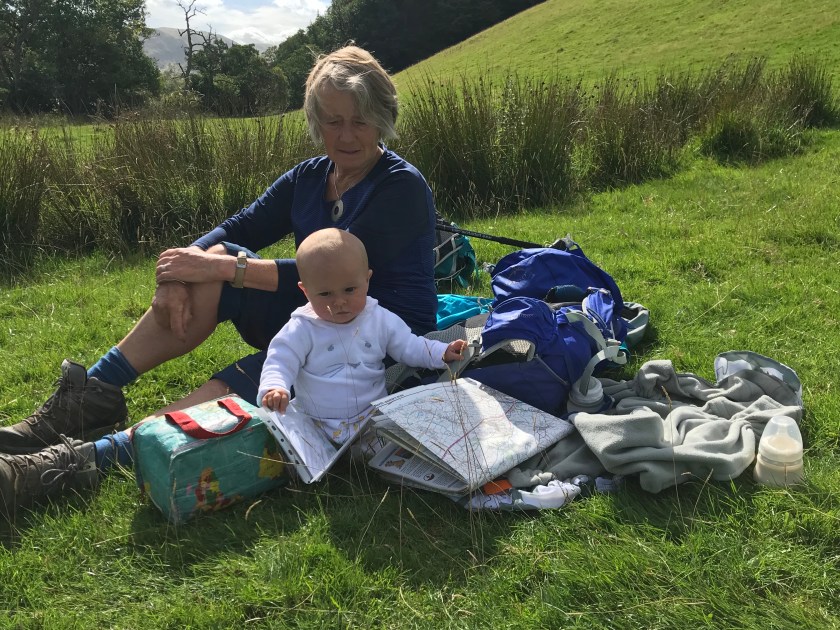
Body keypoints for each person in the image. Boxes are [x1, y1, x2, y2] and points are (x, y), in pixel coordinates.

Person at [0, 45, 441, 520]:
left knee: (239, 351)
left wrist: (225, 267)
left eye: (361, 121)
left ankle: (84, 461)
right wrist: (177, 274)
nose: (346, 135)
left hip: (381, 336)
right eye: (333, 121)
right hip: (319, 315)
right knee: (214, 261)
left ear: (383, 118)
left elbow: (332, 278)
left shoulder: (401, 186)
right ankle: (90, 399)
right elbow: (239, 227)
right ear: (316, 120)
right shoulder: (312, 177)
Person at [259, 228, 466, 452]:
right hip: (316, 421)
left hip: (370, 417)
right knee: (293, 446)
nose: (339, 302)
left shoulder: (378, 318)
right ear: (306, 291)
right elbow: (280, 359)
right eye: (325, 294)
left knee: (396, 446)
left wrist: (440, 352)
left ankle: (366, 457)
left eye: (349, 290)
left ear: (367, 280)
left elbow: (409, 345)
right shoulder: (302, 327)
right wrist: (275, 386)